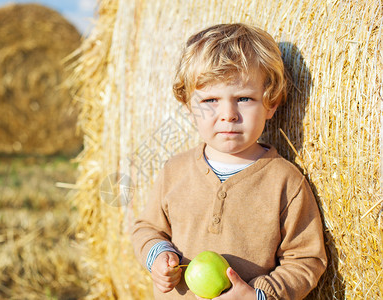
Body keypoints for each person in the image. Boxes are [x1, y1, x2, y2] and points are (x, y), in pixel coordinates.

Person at [131, 23, 327, 300]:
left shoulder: (285, 181)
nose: (228, 114)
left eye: (243, 98)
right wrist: (157, 255)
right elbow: (148, 228)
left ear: (270, 103)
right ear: (188, 107)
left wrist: (259, 295)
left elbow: (307, 259)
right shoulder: (174, 171)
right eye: (210, 99)